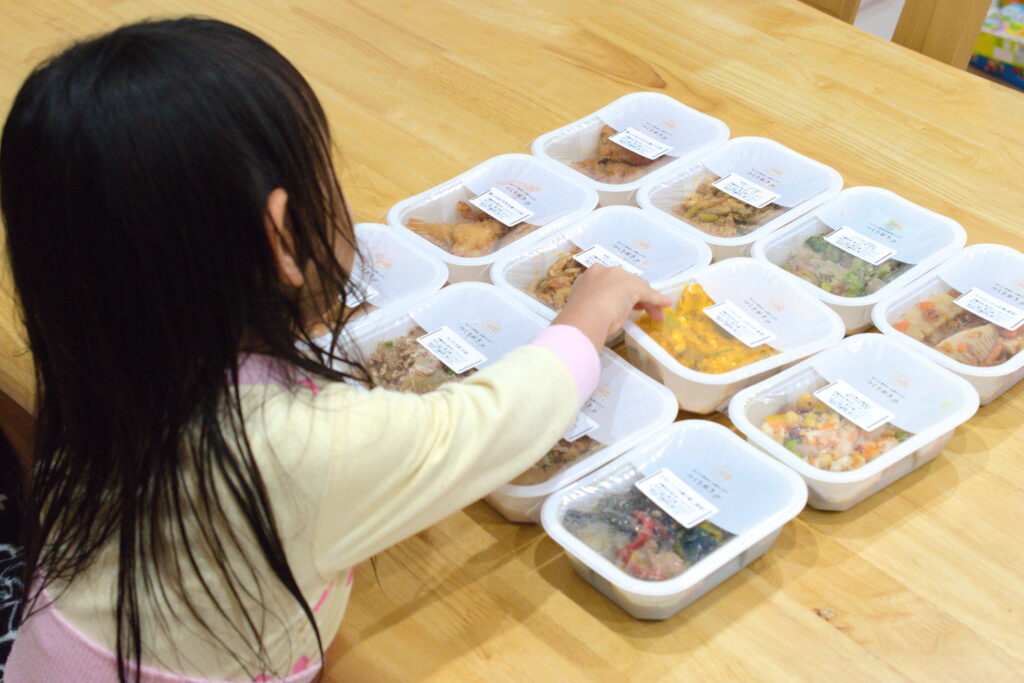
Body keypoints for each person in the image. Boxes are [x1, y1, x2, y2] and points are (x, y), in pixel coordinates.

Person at [0, 17, 670, 683]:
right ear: (282, 237)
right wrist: (585, 318)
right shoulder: (298, 445)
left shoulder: (109, 369)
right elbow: (485, 427)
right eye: (328, 173)